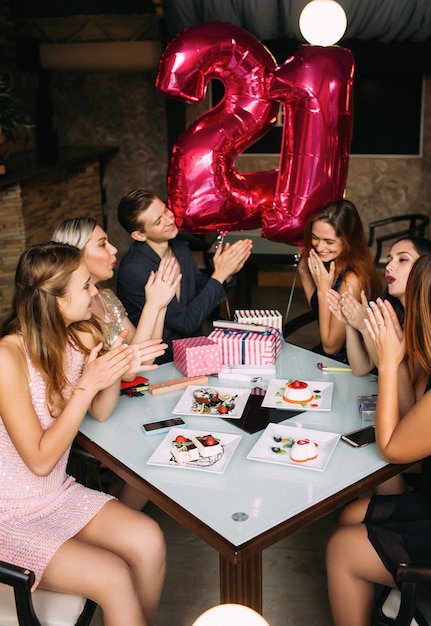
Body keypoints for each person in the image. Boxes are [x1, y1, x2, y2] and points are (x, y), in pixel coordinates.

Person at [0, 242, 166, 626]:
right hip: (10, 514)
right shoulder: (8, 357)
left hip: (57, 495)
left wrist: (116, 371)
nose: (95, 293)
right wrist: (86, 387)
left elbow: (103, 411)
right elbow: (40, 461)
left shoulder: (81, 337)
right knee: (114, 576)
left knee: (150, 539)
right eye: (86, 286)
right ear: (57, 301)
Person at [326, 254, 431, 626]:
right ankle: (382, 598)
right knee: (350, 514)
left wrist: (389, 364)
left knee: (341, 550)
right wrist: (398, 354)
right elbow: (412, 416)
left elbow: (391, 447)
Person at [116, 188, 253, 363]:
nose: (169, 219)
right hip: (163, 362)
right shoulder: (135, 271)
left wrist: (226, 274)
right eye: (158, 221)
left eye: (165, 210)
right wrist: (218, 276)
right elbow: (186, 322)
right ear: (139, 235)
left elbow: (199, 291)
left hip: (195, 350)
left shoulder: (177, 244)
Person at [53, 216, 181, 375]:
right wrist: (152, 305)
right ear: (75, 253)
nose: (113, 249)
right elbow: (128, 373)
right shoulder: (74, 310)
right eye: (102, 244)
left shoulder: (105, 296)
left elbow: (145, 358)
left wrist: (161, 303)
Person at [327, 236, 431, 378]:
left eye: (403, 259)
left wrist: (365, 328)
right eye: (388, 260)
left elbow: (400, 389)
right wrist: (349, 323)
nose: (388, 267)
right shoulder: (391, 312)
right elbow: (360, 368)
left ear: (428, 267)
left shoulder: (430, 326)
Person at [297, 199, 382, 363]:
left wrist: (323, 290)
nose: (320, 247)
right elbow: (319, 310)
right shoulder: (333, 263)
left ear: (348, 241)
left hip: (346, 365)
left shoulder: (353, 279)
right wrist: (303, 270)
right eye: (315, 238)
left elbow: (330, 346)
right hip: (327, 358)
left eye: (329, 241)